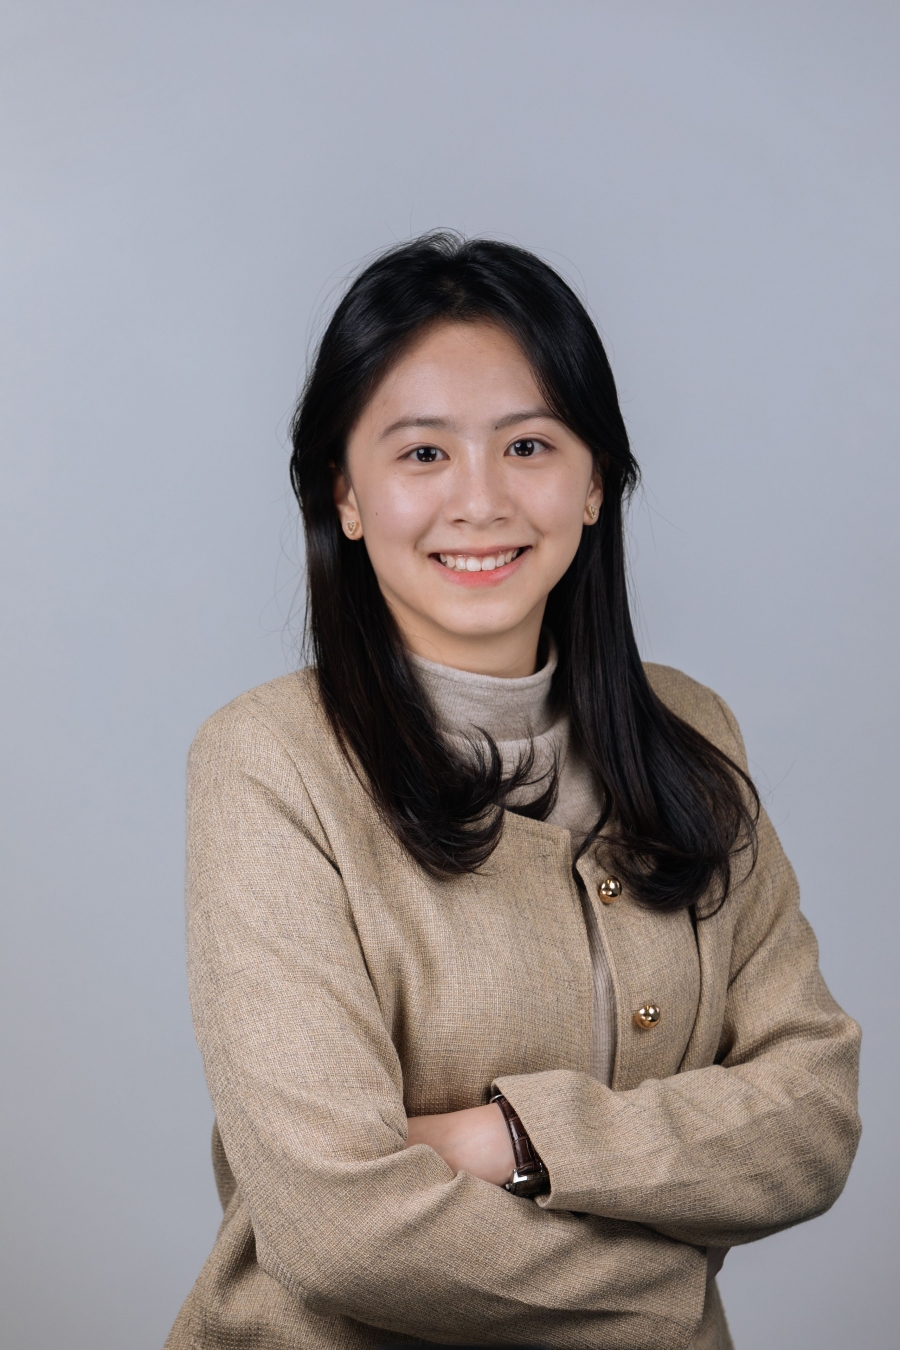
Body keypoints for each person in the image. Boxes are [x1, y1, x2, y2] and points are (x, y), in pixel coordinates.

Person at [165, 234, 861, 1350]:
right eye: (423, 453)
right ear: (345, 495)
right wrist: (668, 1297)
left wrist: (514, 1137)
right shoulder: (270, 762)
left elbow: (813, 1116)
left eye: (528, 445)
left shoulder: (691, 734)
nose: (481, 500)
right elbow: (339, 1230)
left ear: (595, 484)